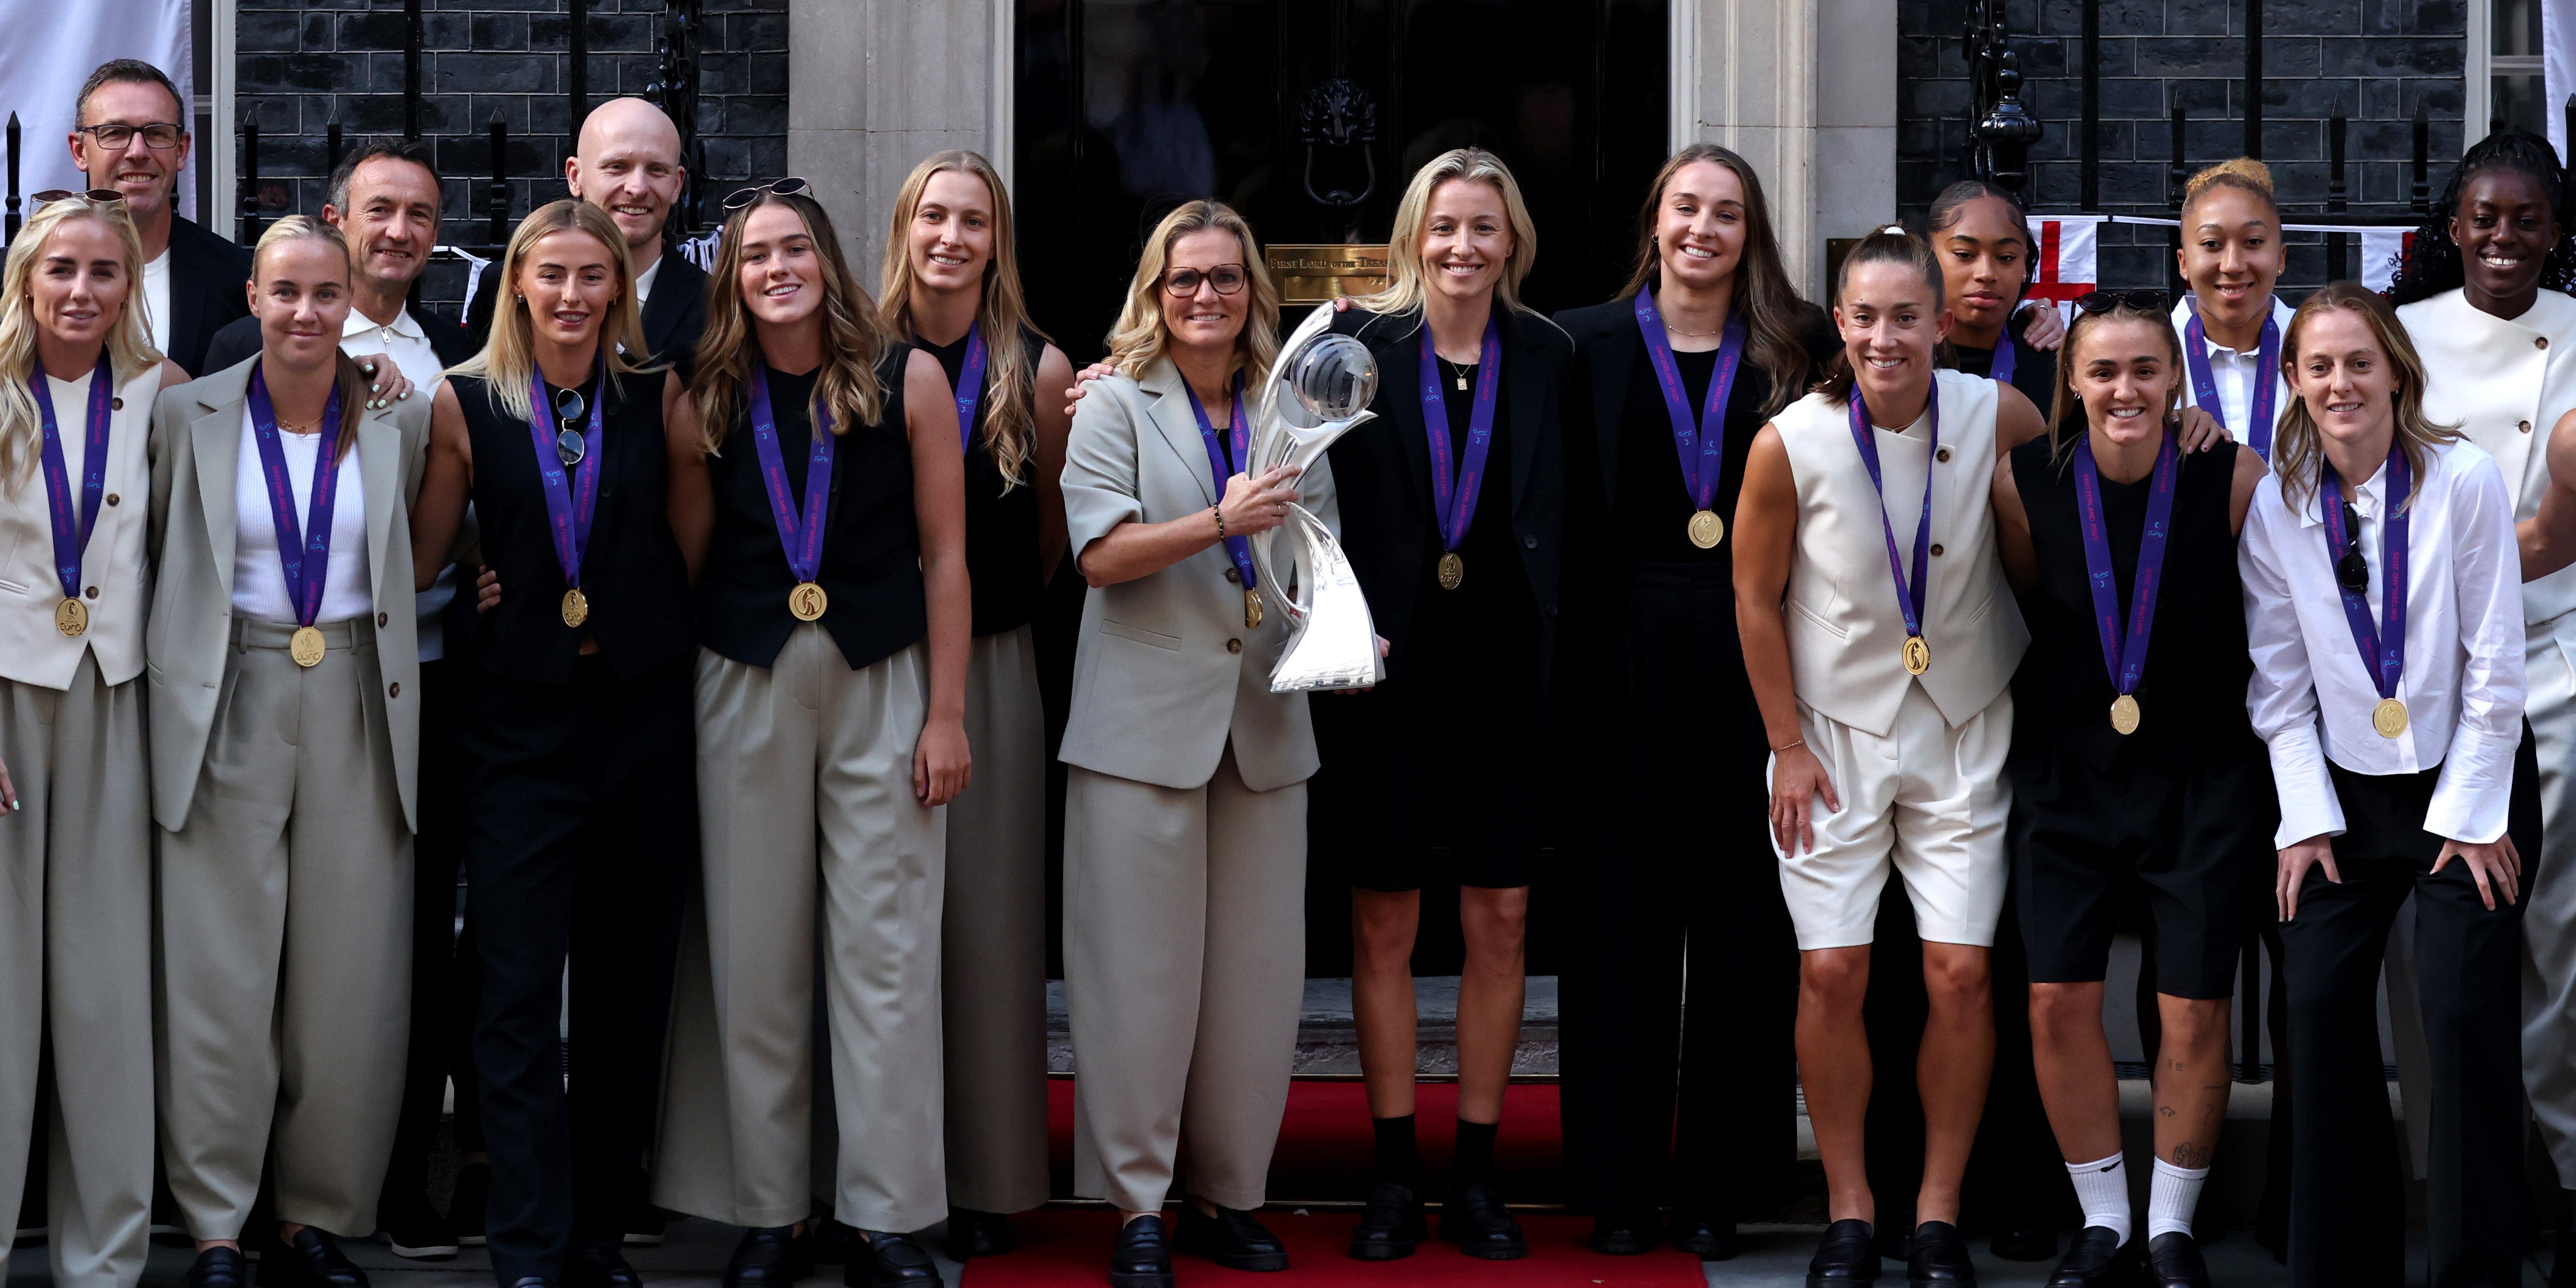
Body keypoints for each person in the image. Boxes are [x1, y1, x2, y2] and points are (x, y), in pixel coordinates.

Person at [641, 180, 969, 1288]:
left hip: (884, 677)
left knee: (886, 952)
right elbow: (687, 557)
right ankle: (770, 1211)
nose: (775, 268)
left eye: (793, 248)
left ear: (827, 258)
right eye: (753, 255)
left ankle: (883, 1215)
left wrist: (947, 713)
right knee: (754, 955)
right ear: (730, 277)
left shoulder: (905, 377)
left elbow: (946, 555)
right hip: (745, 679)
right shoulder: (702, 394)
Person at [1732, 225, 2042, 1286]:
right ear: (1839, 319)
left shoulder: (1997, 413)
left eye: (1904, 316)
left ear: (1940, 321)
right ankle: (1850, 1208)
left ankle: (1938, 1209)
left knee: (1960, 972)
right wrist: (1784, 744)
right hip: (1831, 736)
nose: (1882, 337)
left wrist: (2181, 415)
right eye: (1863, 316)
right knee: (1830, 971)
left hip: (1963, 726)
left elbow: (2090, 482)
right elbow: (1754, 597)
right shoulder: (1790, 441)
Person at [200, 139, 484, 1260]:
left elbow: (467, 509)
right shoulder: (235, 362)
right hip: (253, 681)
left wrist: (487, 565)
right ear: (336, 219)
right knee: (244, 952)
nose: (400, 231)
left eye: (421, 214)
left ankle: (370, 1190)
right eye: (380, 210)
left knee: (379, 953)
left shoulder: (451, 357)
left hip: (404, 686)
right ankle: (229, 1208)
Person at [408, 200, 696, 1288]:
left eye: (592, 275)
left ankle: (598, 1232)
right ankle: (528, 1241)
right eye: (552, 275)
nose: (572, 295)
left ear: (617, 287)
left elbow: (691, 540)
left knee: (624, 990)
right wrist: (481, 566)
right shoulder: (465, 398)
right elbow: (427, 553)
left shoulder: (657, 393)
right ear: (518, 285)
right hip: (518, 725)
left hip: (637, 715)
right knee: (518, 991)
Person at [1543, 143, 1822, 1260]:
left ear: (1750, 234)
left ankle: (1719, 1180)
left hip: (1758, 647)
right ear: (1653, 222)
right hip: (1618, 650)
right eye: (1684, 208)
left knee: (1744, 922)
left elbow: (1914, 379)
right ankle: (1615, 1181)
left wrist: (2041, 343)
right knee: (1618, 921)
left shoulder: (1799, 346)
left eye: (1726, 213)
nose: (1702, 229)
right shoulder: (1579, 342)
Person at [145, 215, 431, 1288]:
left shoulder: (399, 415)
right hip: (229, 688)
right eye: (286, 292)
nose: (306, 312)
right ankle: (216, 1222)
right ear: (253, 299)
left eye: (326, 293)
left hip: (357, 690)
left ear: (351, 302)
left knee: (346, 975)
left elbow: (433, 543)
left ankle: (312, 1215)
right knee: (220, 971)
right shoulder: (187, 415)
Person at [1293, 148, 1567, 1266]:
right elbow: (1284, 473)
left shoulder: (1547, 354)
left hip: (1506, 675)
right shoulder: (1353, 346)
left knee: (1500, 918)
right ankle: (1395, 1172)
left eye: (1483, 228)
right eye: (1444, 226)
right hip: (1386, 673)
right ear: (1412, 236)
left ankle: (1478, 1173)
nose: (1463, 246)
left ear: (1512, 242)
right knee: (1385, 923)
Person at [1057, 200, 1332, 1288]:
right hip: (1139, 733)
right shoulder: (1111, 400)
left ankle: (1227, 1195)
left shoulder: (1290, 408)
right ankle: (1137, 1204)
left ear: (1252, 290)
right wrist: (1220, 519)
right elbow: (1100, 555)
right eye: (1185, 279)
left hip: (1264, 724)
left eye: (1225, 277)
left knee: (1254, 986)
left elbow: (1315, 551)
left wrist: (1342, 622)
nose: (1205, 295)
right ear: (1154, 293)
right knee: (1137, 980)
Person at [2241, 280, 2536, 1288]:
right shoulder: (2279, 505)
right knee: (2320, 1001)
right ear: (2292, 379)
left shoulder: (2463, 480)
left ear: (2397, 374)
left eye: (2359, 363)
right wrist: (2302, 820)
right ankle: (2341, 1268)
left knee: (2456, 1014)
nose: (2340, 383)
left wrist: (2472, 814)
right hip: (2341, 791)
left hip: (2468, 778)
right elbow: (2278, 686)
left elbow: (2496, 664)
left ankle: (2476, 1270)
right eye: (2319, 365)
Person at [1990, 291, 2271, 1288]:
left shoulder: (2233, 476)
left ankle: (2169, 1226)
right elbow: (2028, 596)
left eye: (2145, 370)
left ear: (2174, 379)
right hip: (2067, 771)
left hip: (2200, 774)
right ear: (2070, 379)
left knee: (2192, 1006)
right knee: (2055, 997)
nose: (2124, 390)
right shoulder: (2021, 480)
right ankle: (2104, 1219)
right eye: (2102, 370)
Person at [874, 150, 1074, 1262]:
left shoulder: (1036, 370)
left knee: (989, 923)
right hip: (873, 663)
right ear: (903, 228)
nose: (951, 237)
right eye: (933, 217)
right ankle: (883, 1166)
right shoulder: (856, 353)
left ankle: (988, 1172)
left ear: (997, 243)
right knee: (884, 926)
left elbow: (1049, 536)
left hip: (992, 663)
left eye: (973, 221)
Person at [2389, 131, 2576, 1280]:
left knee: (2558, 928)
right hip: (2425, 665)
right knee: (2440, 950)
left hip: (2556, 653)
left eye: (2526, 218)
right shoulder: (2399, 338)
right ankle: (2459, 1181)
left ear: (2555, 230)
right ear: (2450, 226)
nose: (2502, 237)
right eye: (2483, 217)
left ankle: (2568, 1168)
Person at [0, 194, 188, 1288]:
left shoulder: (163, 395)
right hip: (6, 703)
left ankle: (106, 1259)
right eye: (61, 269)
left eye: (104, 272)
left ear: (130, 288)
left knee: (108, 989)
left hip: (118, 701)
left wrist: (379, 380)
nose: (81, 290)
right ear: (27, 279)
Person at [466, 98, 708, 367]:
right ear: (575, 177)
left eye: (657, 170)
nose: (638, 188)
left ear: (677, 185)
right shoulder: (500, 286)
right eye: (617, 167)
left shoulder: (714, 303)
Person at [66, 60, 249, 377]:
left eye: (158, 134)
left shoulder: (238, 282)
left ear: (182, 150)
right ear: (80, 151)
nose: (138, 152)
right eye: (115, 133)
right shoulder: (17, 277)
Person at [2171, 160, 2296, 459]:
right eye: (2211, 244)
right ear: (2184, 262)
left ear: (2281, 258)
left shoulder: (2322, 345)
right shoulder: (2148, 353)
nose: (2232, 265)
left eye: (2253, 242)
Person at [1928, 179, 2064, 414]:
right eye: (1964, 254)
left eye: (2005, 257)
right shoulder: (1893, 355)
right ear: (1929, 257)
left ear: (2024, 263)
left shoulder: (2055, 369)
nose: (1986, 274)